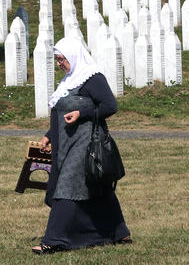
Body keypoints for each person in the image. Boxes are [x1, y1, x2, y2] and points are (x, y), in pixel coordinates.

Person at [32, 37, 131, 254]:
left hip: (85, 144)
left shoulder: (92, 78)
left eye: (62, 59)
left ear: (74, 56)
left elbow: (110, 105)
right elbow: (61, 112)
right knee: (99, 188)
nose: (59, 63)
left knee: (66, 187)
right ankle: (118, 232)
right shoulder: (69, 80)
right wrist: (49, 135)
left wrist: (82, 113)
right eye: (57, 59)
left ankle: (53, 240)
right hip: (66, 144)